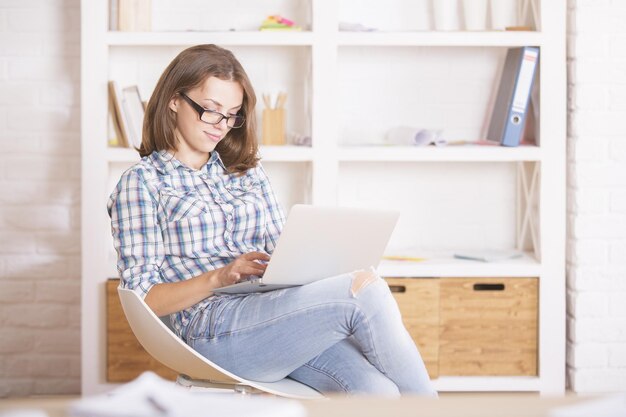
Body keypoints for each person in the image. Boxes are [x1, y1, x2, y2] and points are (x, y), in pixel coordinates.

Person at [107, 44, 436, 397]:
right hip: (212, 330)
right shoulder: (143, 182)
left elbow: (281, 249)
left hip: (273, 313)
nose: (221, 125)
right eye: (211, 111)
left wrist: (312, 262)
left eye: (232, 114)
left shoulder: (246, 173)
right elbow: (145, 300)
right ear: (175, 100)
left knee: (377, 391)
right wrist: (221, 276)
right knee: (364, 293)